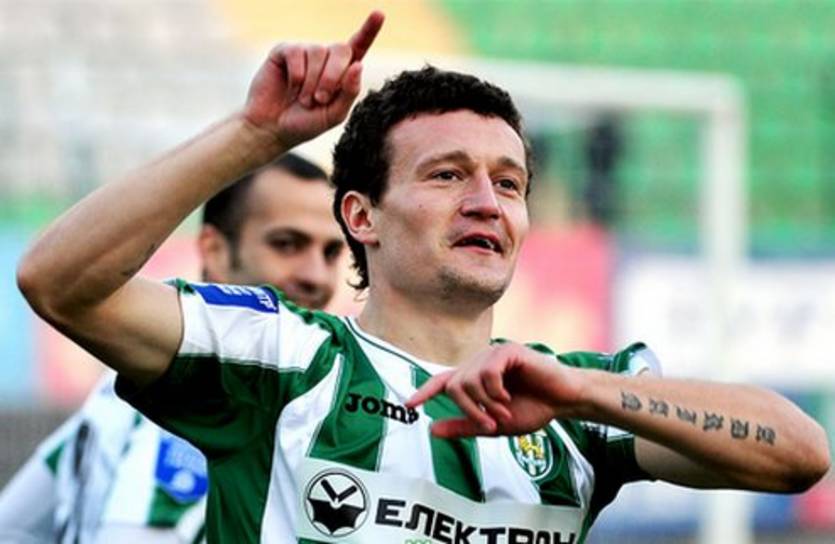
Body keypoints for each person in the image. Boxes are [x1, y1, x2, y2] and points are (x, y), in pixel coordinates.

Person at [15, 10, 830, 544]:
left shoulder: (570, 401)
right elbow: (58, 281)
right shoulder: (281, 357)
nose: (485, 202)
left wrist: (586, 394)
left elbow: (799, 453)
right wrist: (252, 135)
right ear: (361, 216)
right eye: (446, 175)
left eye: (508, 183)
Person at [0, 153, 345, 543]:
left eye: (331, 252)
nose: (316, 276)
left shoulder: (126, 385)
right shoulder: (205, 392)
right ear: (215, 251)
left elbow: (14, 526)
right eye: (287, 244)